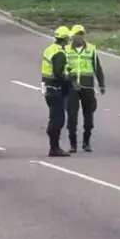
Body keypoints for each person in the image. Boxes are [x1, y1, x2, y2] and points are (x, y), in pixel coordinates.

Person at [65, 24, 105, 153]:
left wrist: (101, 84)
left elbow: (97, 68)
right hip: (71, 88)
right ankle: (73, 144)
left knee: (89, 115)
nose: (75, 38)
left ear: (82, 36)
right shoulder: (66, 49)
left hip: (87, 86)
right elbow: (63, 68)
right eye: (74, 36)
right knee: (72, 116)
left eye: (78, 35)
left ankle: (86, 142)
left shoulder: (91, 49)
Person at [41, 26, 72, 157]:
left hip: (48, 88)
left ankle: (54, 146)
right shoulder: (59, 53)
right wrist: (69, 78)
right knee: (58, 119)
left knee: (54, 117)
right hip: (55, 89)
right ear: (65, 39)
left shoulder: (50, 49)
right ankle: (54, 148)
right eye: (68, 38)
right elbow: (59, 73)